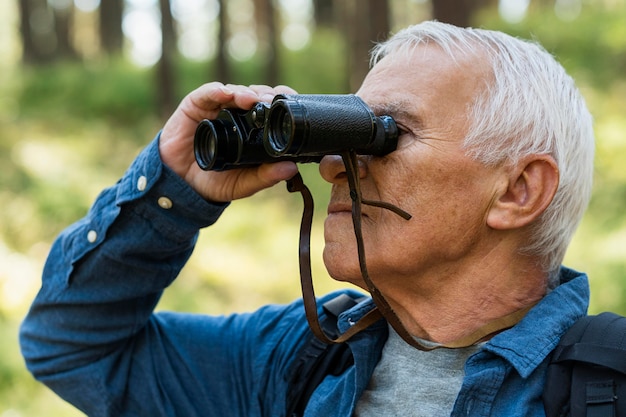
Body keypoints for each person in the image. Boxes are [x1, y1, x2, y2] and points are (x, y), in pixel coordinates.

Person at [19, 20, 594, 417]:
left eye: (386, 134)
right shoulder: (301, 356)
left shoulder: (600, 393)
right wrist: (172, 189)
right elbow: (72, 347)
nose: (333, 168)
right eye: (346, 130)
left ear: (518, 190)